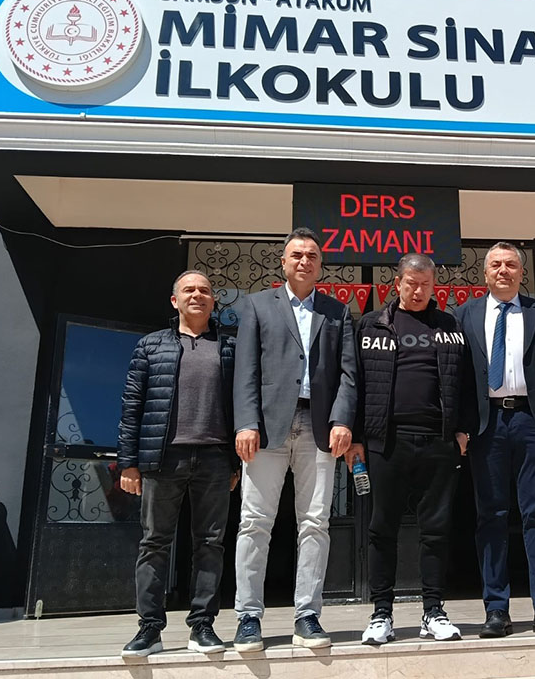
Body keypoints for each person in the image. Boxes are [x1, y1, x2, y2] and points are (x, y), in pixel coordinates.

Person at [232, 227, 358, 651]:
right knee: (254, 521)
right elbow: (245, 370)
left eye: (312, 256)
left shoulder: (337, 312)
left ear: (320, 265)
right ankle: (248, 616)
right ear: (283, 262)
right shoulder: (257, 305)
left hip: (319, 428)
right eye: (297, 255)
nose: (305, 261)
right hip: (267, 428)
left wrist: (342, 419)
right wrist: (245, 422)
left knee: (316, 523)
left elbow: (348, 374)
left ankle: (307, 615)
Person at [456, 242, 535, 638]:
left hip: (531, 421)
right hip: (486, 424)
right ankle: (496, 609)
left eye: (510, 264)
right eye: (496, 264)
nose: (503, 270)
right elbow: (457, 377)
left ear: (521, 272)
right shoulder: (465, 314)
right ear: (485, 272)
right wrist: (460, 424)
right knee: (490, 515)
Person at [117, 270, 237, 657]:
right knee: (154, 543)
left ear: (213, 301)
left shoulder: (230, 348)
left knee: (210, 544)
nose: (197, 295)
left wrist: (235, 462)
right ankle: (149, 628)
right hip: (163, 459)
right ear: (175, 300)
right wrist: (128, 463)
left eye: (204, 290)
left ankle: (202, 625)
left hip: (215, 458)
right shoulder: (151, 346)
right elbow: (132, 407)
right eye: (189, 290)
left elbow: (241, 406)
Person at [351, 253, 469, 645]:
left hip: (438, 441)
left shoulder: (449, 325)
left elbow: (466, 380)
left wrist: (463, 430)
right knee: (381, 528)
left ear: (434, 286)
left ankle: (433, 611)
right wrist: (356, 437)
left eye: (425, 285)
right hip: (386, 442)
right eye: (411, 284)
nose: (418, 291)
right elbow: (355, 383)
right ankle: (381, 613)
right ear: (397, 283)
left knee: (435, 529)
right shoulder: (371, 324)